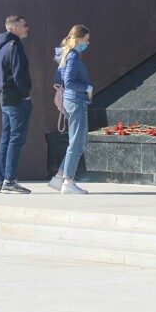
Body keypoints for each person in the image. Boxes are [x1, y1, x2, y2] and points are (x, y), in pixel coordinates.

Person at [48, 25, 93, 194]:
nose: (87, 44)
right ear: (79, 39)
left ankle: (60, 177)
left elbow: (59, 79)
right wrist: (87, 87)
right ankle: (68, 180)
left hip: (70, 102)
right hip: (76, 102)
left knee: (78, 142)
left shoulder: (64, 53)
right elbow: (69, 81)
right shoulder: (73, 55)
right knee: (76, 143)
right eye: (86, 40)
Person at [0, 15, 33, 194]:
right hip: (16, 100)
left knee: (6, 139)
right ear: (14, 28)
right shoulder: (14, 46)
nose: (27, 28)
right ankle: (9, 181)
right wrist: (25, 94)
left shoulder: (1, 47)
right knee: (15, 140)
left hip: (5, 99)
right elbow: (19, 74)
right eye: (25, 25)